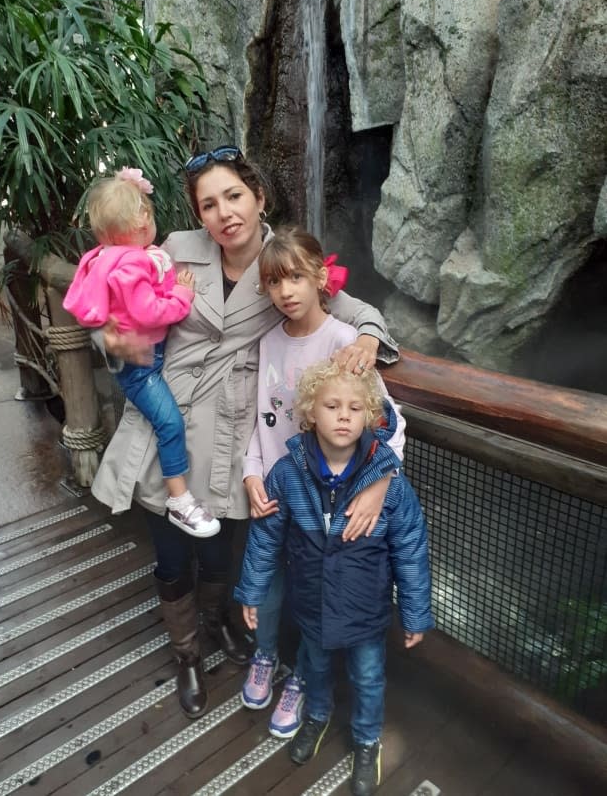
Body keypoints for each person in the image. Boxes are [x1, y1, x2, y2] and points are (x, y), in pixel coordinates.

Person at [90, 146, 400, 722]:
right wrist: (110, 344)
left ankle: (217, 625)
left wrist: (367, 339)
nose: (223, 213)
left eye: (234, 196)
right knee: (171, 551)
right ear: (196, 214)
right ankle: (186, 654)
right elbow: (111, 306)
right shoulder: (175, 249)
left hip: (234, 428)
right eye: (208, 204)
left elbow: (355, 307)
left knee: (217, 548)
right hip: (171, 422)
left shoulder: (284, 263)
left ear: (259, 198)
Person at [235, 359, 433, 796]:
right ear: (309, 413)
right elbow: (266, 537)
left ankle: (366, 741)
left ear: (368, 416)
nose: (343, 416)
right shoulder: (288, 473)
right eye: (331, 406)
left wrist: (416, 613)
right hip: (311, 601)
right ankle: (317, 718)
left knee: (367, 677)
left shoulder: (390, 484)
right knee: (316, 668)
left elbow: (411, 549)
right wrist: (251, 590)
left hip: (365, 610)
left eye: (354, 408)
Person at [240, 225, 407, 741]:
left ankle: (305, 683)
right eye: (274, 282)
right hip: (276, 493)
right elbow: (260, 418)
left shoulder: (344, 342)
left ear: (319, 277)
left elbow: (391, 427)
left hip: (327, 503)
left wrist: (378, 486)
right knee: (265, 589)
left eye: (294, 277)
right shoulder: (267, 342)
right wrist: (250, 472)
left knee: (315, 597)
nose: (286, 291)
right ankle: (265, 657)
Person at [63, 167, 219, 538]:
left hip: (144, 360)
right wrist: (181, 296)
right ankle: (180, 501)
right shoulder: (132, 262)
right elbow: (147, 310)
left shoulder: (108, 256)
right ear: (142, 220)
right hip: (143, 365)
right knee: (169, 425)